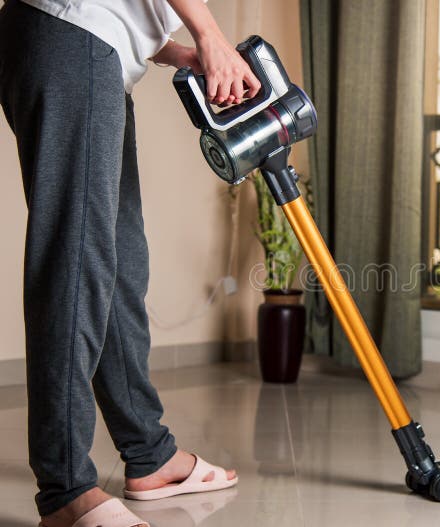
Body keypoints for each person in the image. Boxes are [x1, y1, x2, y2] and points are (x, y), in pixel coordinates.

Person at [0, 0, 262, 525]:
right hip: (74, 35)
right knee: (77, 263)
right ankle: (66, 489)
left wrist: (179, 51)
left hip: (90, 44)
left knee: (119, 265)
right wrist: (209, 34)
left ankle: (150, 454)